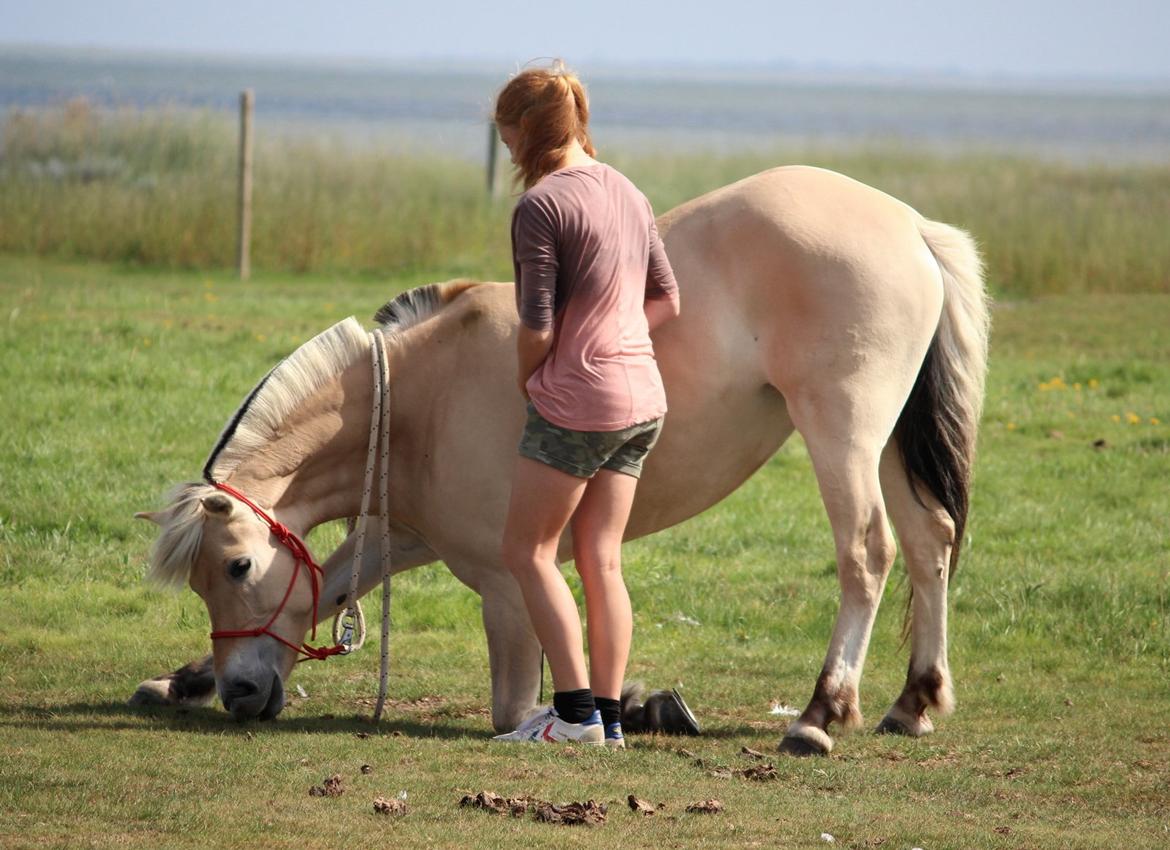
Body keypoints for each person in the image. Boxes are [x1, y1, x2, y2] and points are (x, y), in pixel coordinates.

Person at [491, 61, 681, 748]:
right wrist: (617, 338)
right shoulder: (629, 192)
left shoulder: (541, 205)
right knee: (601, 558)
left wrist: (529, 374)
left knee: (527, 552)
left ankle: (571, 717)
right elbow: (667, 300)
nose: (507, 147)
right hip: (643, 402)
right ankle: (606, 719)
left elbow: (537, 327)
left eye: (507, 133)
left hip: (579, 403)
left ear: (528, 131)